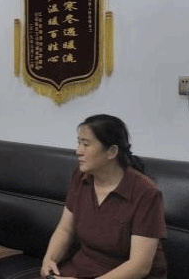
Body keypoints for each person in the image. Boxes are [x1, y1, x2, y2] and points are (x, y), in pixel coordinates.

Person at [40, 114, 167, 279]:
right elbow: (65, 229)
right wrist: (49, 259)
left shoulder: (146, 192)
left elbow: (139, 266)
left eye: (86, 144)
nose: (78, 151)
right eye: (79, 143)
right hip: (84, 268)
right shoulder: (81, 177)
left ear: (111, 152)